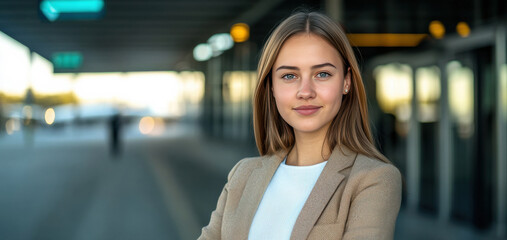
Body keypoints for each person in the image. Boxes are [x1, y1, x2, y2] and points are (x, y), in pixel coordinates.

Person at [199, 11, 402, 240]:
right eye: (289, 76)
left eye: (322, 74)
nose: (305, 92)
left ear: (346, 82)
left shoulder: (373, 179)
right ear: (271, 87)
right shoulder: (242, 175)